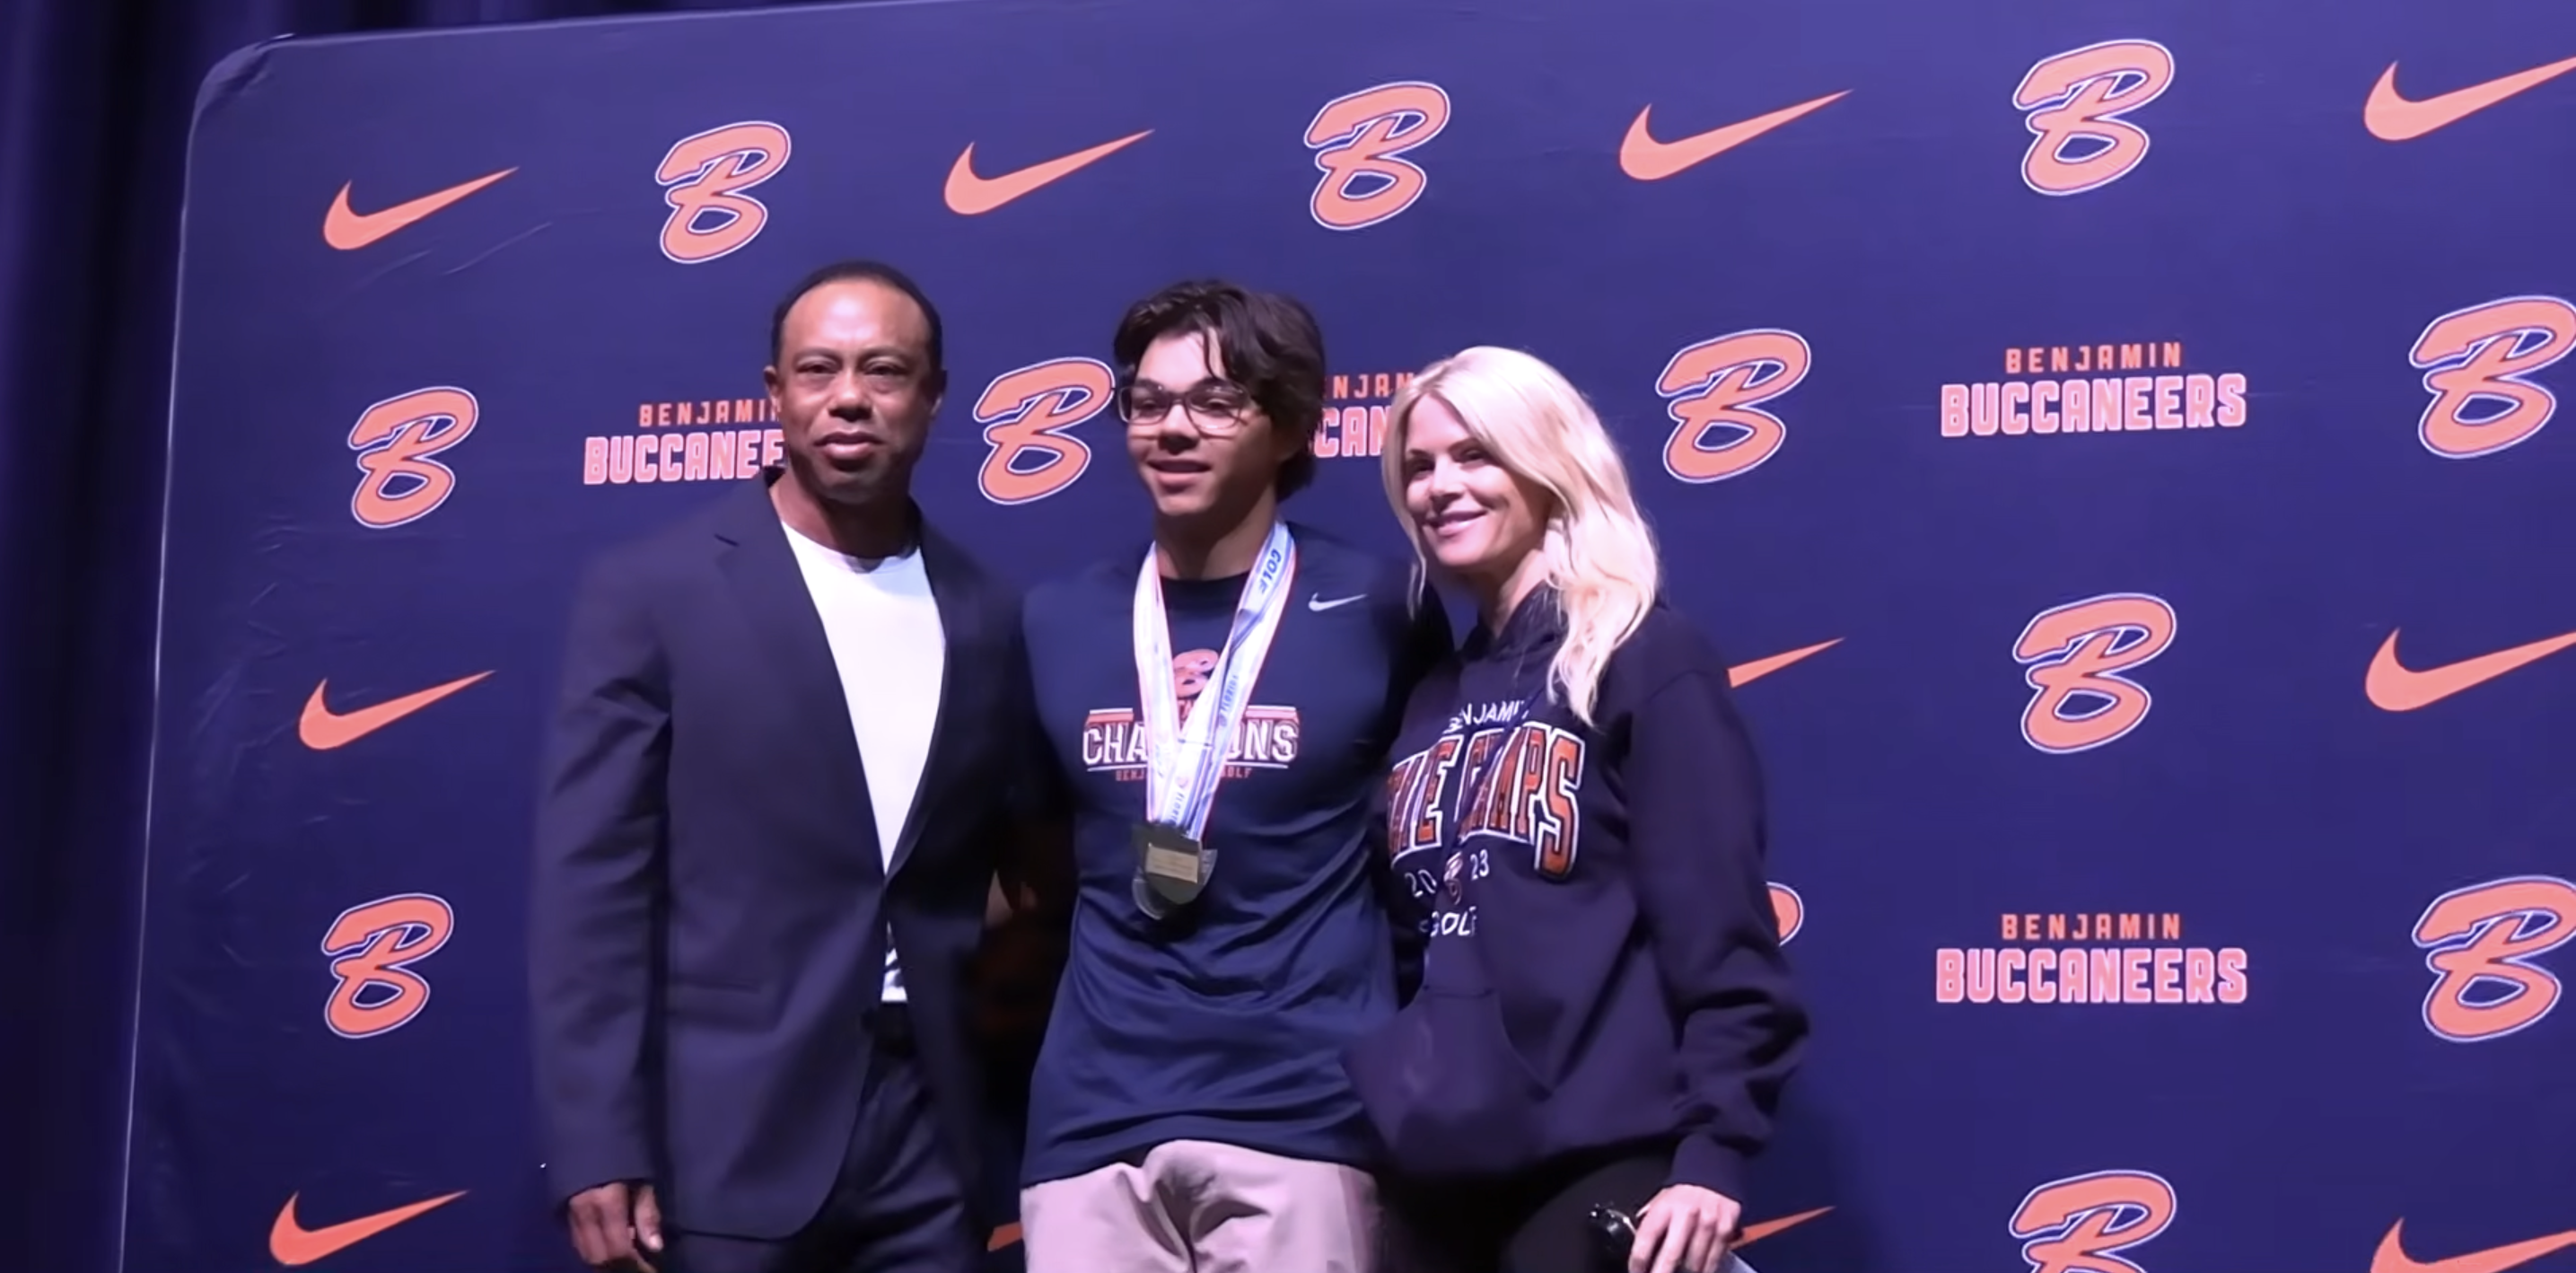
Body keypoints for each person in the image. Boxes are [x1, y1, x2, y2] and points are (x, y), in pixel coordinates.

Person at [529, 259, 1047, 1273]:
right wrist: (596, 1141)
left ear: (933, 397)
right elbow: (590, 887)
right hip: (720, 1138)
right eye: (818, 369)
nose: (848, 395)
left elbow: (1015, 864)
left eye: (884, 370)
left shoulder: (988, 610)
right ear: (775, 394)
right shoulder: (653, 591)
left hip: (928, 1137)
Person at [1010, 279, 1451, 1273]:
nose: (1172, 428)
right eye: (1147, 400)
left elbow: (1424, 863)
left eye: (1214, 401)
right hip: (1092, 1122)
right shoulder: (1056, 621)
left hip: (1304, 1114)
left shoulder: (1383, 603)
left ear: (1292, 425)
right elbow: (1035, 859)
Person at [1345, 346, 1809, 1273]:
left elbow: (1720, 932)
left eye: (1474, 455)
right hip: (1437, 1175)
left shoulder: (1641, 657)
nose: (1440, 486)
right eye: (1419, 466)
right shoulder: (1429, 695)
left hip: (1600, 1157)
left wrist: (1711, 1155)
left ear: (1548, 465)